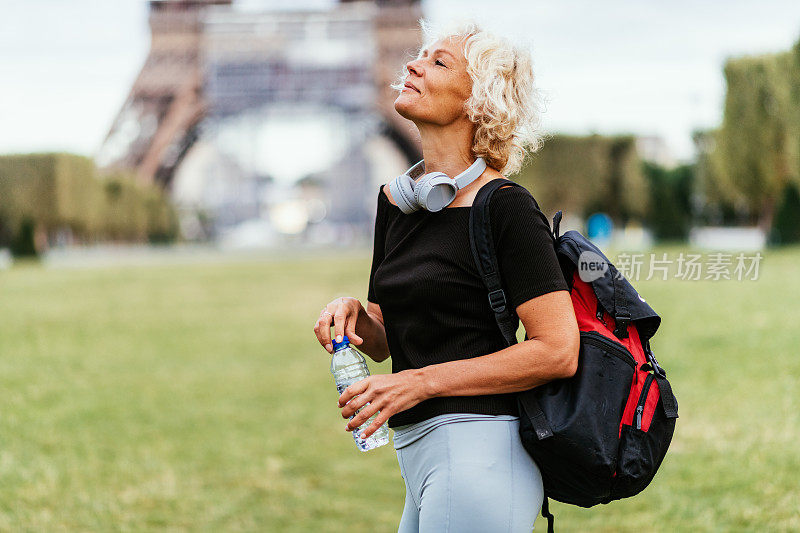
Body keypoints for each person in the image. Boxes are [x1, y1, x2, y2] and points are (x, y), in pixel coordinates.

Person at [313, 19, 580, 532]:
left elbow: (557, 350)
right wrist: (354, 314)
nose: (412, 64)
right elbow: (386, 339)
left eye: (439, 62)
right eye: (419, 55)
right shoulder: (396, 203)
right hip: (422, 462)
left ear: (478, 102)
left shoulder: (506, 208)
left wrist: (421, 382)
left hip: (479, 455)